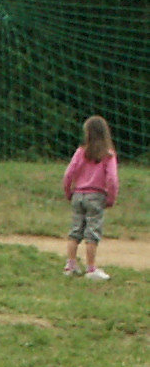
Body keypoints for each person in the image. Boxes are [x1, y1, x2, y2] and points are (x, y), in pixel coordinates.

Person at [62, 114, 117, 280]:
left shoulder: (81, 152)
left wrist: (68, 192)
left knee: (75, 231)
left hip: (78, 195)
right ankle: (91, 268)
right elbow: (112, 179)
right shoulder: (108, 155)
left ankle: (70, 265)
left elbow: (68, 174)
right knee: (92, 233)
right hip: (96, 196)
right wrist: (111, 198)